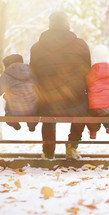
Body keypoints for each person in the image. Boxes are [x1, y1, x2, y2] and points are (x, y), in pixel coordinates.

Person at [29, 12, 91, 159]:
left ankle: (49, 152)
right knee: (82, 109)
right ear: (67, 24)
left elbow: (33, 73)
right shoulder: (81, 45)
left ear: (50, 24)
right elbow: (88, 70)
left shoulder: (37, 47)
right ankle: (72, 147)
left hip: (48, 99)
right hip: (75, 98)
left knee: (48, 111)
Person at [0, 54, 38, 131]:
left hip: (14, 112)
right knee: (32, 100)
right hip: (32, 111)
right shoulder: (32, 71)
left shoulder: (7, 74)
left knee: (8, 116)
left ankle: (14, 124)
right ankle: (32, 125)